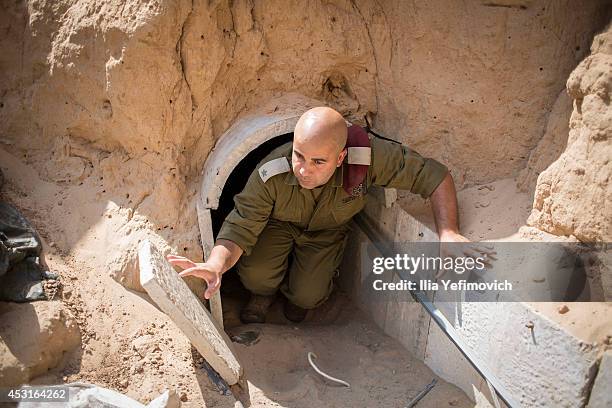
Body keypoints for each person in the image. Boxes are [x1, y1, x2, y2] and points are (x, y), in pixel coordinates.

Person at [167, 107, 471, 323]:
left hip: (326, 232)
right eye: (299, 155)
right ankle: (263, 295)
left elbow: (434, 176)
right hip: (277, 225)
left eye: (318, 162)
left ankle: (295, 298)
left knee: (308, 297)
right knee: (256, 275)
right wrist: (216, 265)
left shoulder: (367, 159)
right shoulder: (271, 173)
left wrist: (449, 231)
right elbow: (239, 227)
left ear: (340, 158)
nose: (303, 169)